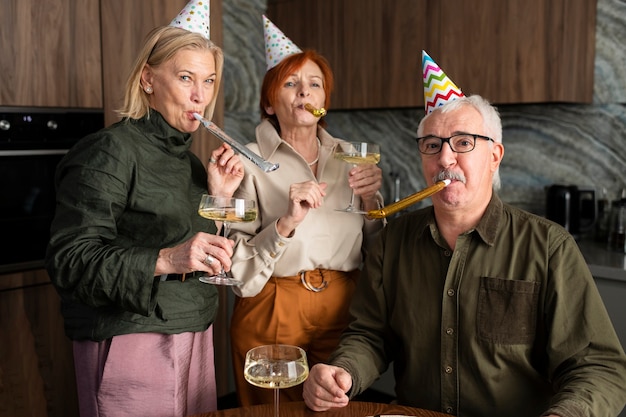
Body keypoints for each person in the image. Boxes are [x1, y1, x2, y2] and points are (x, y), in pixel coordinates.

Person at [302, 52, 626, 417]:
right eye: (432, 145)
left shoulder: (550, 248)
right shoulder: (394, 241)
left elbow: (598, 368)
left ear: (495, 155)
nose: (445, 159)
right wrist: (344, 372)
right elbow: (369, 336)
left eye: (463, 142)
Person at [45, 2, 244, 416]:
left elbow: (199, 253)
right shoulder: (109, 151)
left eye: (208, 81)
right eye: (186, 77)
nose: (200, 96)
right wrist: (167, 258)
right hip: (132, 340)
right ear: (148, 79)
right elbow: (69, 261)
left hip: (195, 333)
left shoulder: (192, 163)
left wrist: (220, 198)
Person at [227, 16, 385, 406]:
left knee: (336, 409)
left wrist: (372, 204)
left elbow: (378, 249)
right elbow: (237, 267)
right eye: (291, 83)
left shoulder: (352, 157)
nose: (305, 93)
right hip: (272, 305)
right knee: (273, 413)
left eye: (315, 85)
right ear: (268, 102)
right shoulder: (244, 161)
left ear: (324, 103)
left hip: (345, 307)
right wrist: (286, 222)